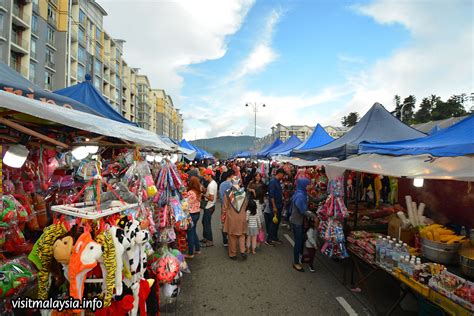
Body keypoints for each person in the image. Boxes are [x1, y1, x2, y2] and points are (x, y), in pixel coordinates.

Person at [289, 177, 316, 272]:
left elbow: (313, 200)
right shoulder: (300, 195)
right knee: (298, 242)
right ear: (304, 185)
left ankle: (299, 257)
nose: (310, 186)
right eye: (308, 184)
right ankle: (296, 263)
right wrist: (314, 216)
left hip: (298, 221)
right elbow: (303, 210)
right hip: (297, 222)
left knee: (301, 241)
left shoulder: (302, 193)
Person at [222, 179, 248, 260]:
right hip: (242, 216)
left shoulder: (228, 193)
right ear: (239, 183)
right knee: (242, 234)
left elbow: (224, 207)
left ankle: (233, 254)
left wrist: (223, 218)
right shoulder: (243, 193)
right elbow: (246, 205)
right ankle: (243, 251)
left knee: (232, 236)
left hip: (231, 217)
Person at [265, 168, 285, 246]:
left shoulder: (277, 182)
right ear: (279, 174)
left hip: (279, 205)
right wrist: (274, 206)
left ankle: (274, 237)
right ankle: (269, 239)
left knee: (277, 222)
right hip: (275, 205)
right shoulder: (273, 182)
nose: (283, 176)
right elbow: (271, 196)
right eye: (283, 175)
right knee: (273, 222)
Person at [185, 176, 203, 259]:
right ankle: (198, 249)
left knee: (190, 233)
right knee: (193, 231)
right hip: (197, 213)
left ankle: (191, 252)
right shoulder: (198, 192)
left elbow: (186, 203)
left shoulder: (191, 192)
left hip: (191, 214)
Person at [201, 169, 218, 247]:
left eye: (205, 175)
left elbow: (211, 198)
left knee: (206, 223)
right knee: (204, 222)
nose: (204, 177)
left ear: (209, 175)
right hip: (210, 205)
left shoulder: (211, 185)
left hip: (209, 206)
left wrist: (203, 195)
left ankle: (210, 240)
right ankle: (205, 238)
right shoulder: (212, 183)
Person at [219, 169, 235, 247]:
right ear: (232, 176)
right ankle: (230, 239)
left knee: (224, 223)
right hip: (231, 207)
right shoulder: (231, 184)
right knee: (230, 223)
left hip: (223, 206)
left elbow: (221, 196)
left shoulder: (222, 184)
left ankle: (225, 241)